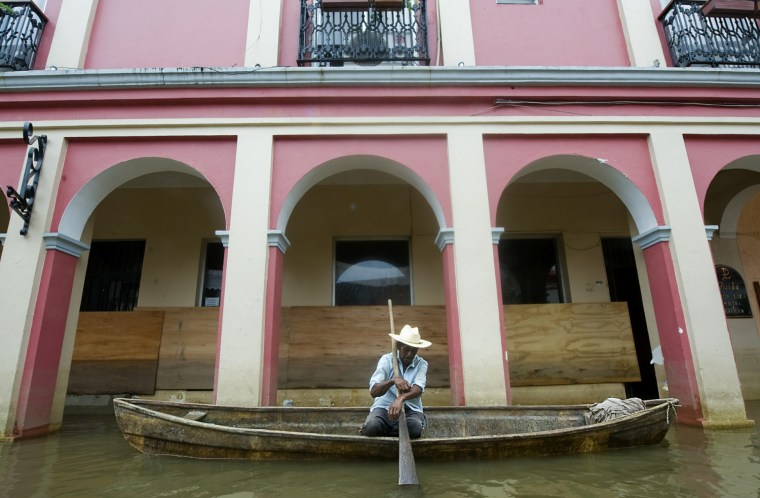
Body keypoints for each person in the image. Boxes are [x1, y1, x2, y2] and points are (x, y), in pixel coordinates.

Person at [360, 324, 432, 439]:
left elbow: (418, 389)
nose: (410, 354)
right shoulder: (386, 360)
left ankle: (390, 431)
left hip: (411, 411)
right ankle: (390, 429)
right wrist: (393, 381)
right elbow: (374, 391)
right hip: (384, 409)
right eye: (406, 349)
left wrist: (400, 398)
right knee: (371, 427)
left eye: (413, 351)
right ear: (398, 346)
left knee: (414, 428)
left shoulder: (421, 363)